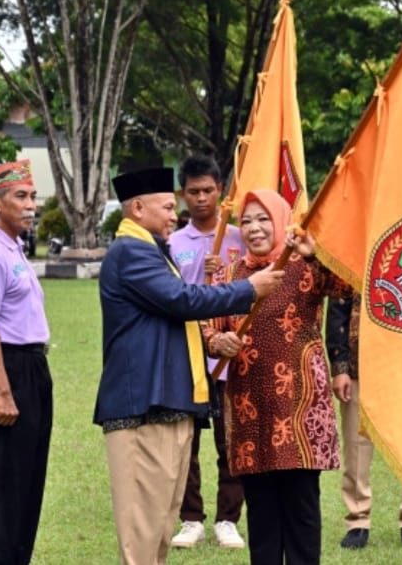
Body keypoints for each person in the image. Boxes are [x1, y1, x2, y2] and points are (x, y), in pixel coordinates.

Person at [93, 167, 284, 565]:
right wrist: (249, 289)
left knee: (161, 524)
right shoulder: (131, 251)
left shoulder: (152, 249)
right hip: (143, 407)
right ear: (138, 208)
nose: (173, 215)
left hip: (167, 402)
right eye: (167, 207)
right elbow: (183, 300)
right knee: (144, 529)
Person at [203, 189, 351, 565]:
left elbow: (347, 287)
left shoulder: (304, 267)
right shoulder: (230, 274)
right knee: (262, 513)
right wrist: (219, 341)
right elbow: (206, 328)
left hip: (300, 411)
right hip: (250, 410)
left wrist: (315, 254)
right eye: (247, 220)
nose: (254, 228)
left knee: (302, 510)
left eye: (263, 218)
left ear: (281, 220)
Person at [0, 154, 53, 565]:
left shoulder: (13, 249)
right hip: (8, 370)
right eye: (21, 196)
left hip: (31, 368)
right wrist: (3, 392)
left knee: (28, 480)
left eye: (33, 195)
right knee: (4, 482)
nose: (32, 204)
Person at [168, 156, 246, 549]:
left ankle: (228, 519)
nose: (201, 198)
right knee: (188, 440)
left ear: (220, 191)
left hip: (231, 355)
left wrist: (229, 269)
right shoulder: (173, 243)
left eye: (208, 190)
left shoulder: (238, 237)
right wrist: (204, 272)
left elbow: (252, 283)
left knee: (231, 438)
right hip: (189, 354)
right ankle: (190, 518)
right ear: (183, 196)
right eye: (193, 192)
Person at [325, 295, 402, 551]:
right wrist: (339, 367)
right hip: (358, 363)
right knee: (356, 445)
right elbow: (337, 312)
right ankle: (357, 520)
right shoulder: (351, 258)